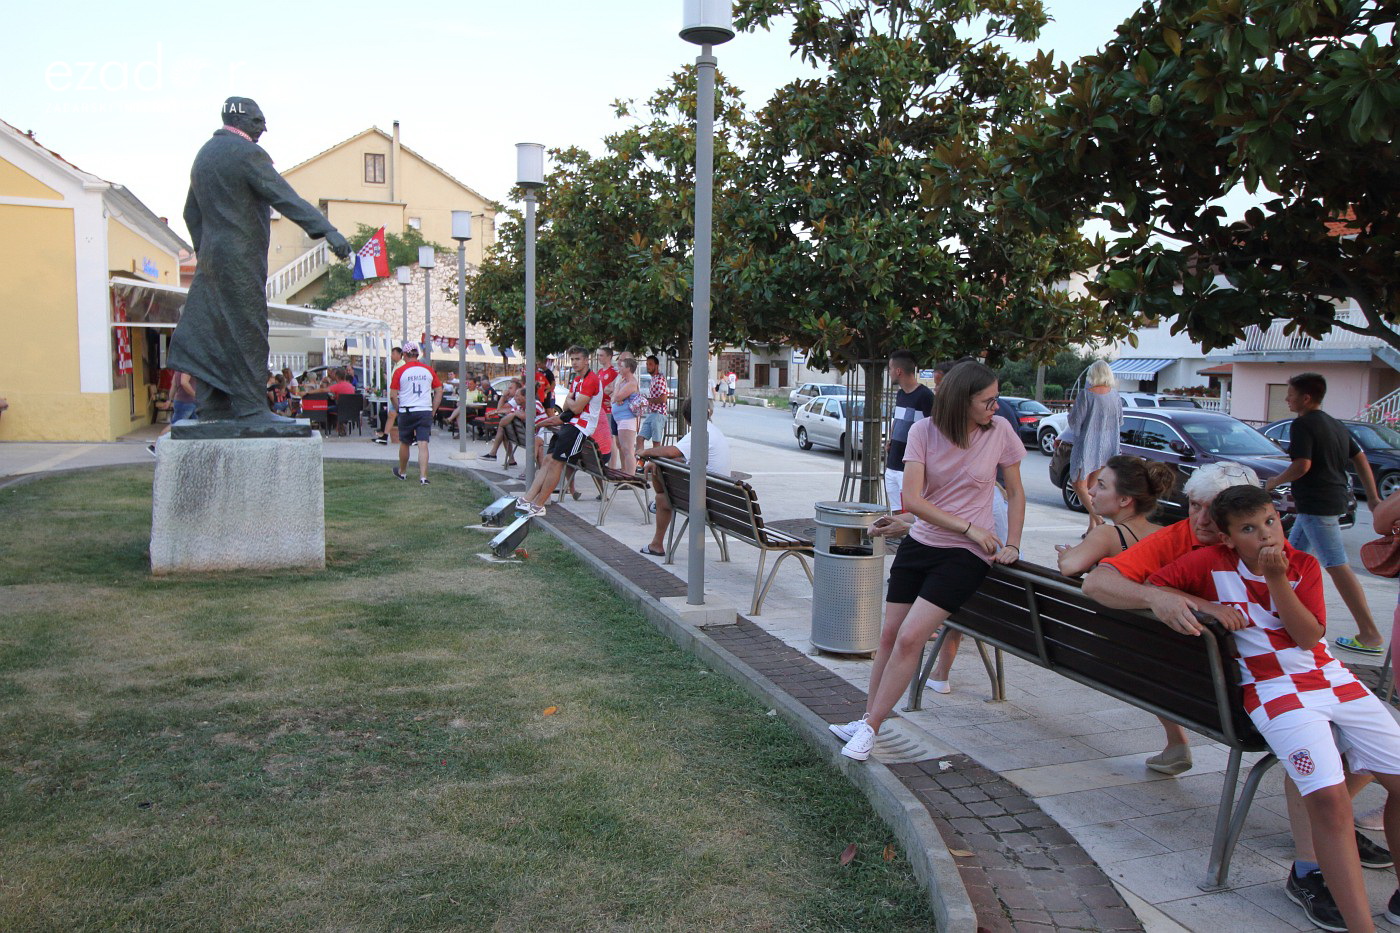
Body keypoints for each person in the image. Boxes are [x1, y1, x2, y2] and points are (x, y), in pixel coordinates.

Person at [1083, 462, 1389, 929]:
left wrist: (1276, 580)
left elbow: (1309, 637)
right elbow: (1130, 584)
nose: (1266, 535)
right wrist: (1192, 603)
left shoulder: (1300, 564)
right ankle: (1341, 896)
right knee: (1329, 796)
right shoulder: (1202, 557)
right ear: (1227, 536)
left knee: (1378, 774)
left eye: (1271, 522)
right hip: (1269, 693)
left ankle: (1353, 874)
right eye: (1248, 528)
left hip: (1326, 681)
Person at [832, 361, 1024, 762]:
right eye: (988, 401)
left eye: (996, 399)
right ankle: (869, 718)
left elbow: (1017, 493)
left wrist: (1013, 543)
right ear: (961, 400)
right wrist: (962, 525)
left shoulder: (1000, 432)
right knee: (888, 636)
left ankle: (870, 727)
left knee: (910, 638)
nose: (996, 407)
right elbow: (916, 500)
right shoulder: (924, 432)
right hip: (922, 542)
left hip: (966, 555)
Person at [167, 97, 350, 422]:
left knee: (214, 327)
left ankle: (212, 406)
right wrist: (327, 231)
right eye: (259, 122)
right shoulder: (246, 153)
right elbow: (283, 195)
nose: (263, 129)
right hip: (240, 257)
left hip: (212, 258)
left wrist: (208, 250)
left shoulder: (204, 156)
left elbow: (189, 212)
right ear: (243, 120)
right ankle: (253, 408)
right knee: (249, 327)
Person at [1265, 372, 1385, 656]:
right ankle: (1285, 616)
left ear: (1306, 398)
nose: (1286, 399)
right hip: (1325, 502)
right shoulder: (1335, 424)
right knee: (1290, 556)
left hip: (1318, 505)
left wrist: (1274, 481)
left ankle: (1370, 634)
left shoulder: (1302, 424)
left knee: (1336, 564)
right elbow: (1360, 458)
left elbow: (1302, 465)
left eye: (1290, 395)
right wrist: (1373, 497)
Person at [637, 400, 732, 557]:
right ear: (710, 413)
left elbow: (672, 451)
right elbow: (683, 457)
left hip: (708, 503)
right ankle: (657, 506)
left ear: (686, 419)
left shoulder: (701, 432)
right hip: (719, 500)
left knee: (662, 498)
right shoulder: (713, 431)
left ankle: (656, 544)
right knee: (659, 469)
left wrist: (647, 453)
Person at [516, 347, 604, 516]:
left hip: (580, 427)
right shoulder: (577, 379)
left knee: (557, 462)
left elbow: (576, 406)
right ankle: (528, 499)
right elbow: (565, 407)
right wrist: (572, 402)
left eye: (578, 359)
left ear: (586, 360)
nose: (574, 363)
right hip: (570, 422)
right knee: (548, 460)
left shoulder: (591, 380)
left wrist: (572, 400)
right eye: (572, 360)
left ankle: (540, 504)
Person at [1056, 456, 1177, 578]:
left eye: (1101, 485)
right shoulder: (1167, 535)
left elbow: (1070, 566)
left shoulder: (1107, 534)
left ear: (1124, 499)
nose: (1091, 491)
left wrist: (1069, 555)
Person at [1066, 360, 1122, 536]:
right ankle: (1092, 528)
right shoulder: (1115, 396)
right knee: (1092, 486)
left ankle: (1098, 519)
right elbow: (1120, 420)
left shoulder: (1086, 395)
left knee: (1078, 484)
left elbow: (1075, 421)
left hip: (1088, 445)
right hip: (1107, 446)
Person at [885, 349, 934, 513]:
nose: (889, 372)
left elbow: (933, 431)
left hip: (911, 466)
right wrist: (891, 439)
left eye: (890, 368)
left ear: (898, 371)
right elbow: (898, 420)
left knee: (913, 513)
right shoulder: (900, 394)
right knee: (896, 511)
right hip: (892, 463)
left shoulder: (926, 396)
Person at [389, 343, 442, 485]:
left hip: (407, 409)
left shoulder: (400, 371)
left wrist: (398, 409)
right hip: (424, 409)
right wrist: (433, 409)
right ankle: (423, 477)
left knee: (405, 442)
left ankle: (403, 472)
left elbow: (393, 395)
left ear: (405, 355)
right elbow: (439, 390)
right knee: (423, 443)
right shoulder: (429, 370)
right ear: (417, 355)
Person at [611, 356, 644, 475]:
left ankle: (631, 476)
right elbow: (616, 397)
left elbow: (617, 397)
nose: (619, 368)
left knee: (628, 449)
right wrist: (617, 391)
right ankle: (626, 473)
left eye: (622, 366)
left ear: (628, 368)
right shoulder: (622, 381)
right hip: (620, 419)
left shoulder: (631, 383)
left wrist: (617, 395)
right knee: (623, 448)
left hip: (627, 419)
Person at [374, 347, 405, 445]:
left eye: (394, 353)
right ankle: (385, 436)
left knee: (399, 415)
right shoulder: (396, 365)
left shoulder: (402, 365)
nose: (392, 356)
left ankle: (407, 436)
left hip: (399, 395)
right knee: (391, 415)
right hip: (394, 394)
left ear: (400, 354)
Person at [639, 355, 669, 452]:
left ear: (657, 365)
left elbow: (663, 398)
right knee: (639, 438)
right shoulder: (653, 379)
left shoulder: (660, 379)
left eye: (651, 364)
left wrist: (648, 400)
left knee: (656, 443)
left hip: (659, 414)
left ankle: (656, 466)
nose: (648, 366)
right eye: (647, 364)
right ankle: (639, 463)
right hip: (652, 413)